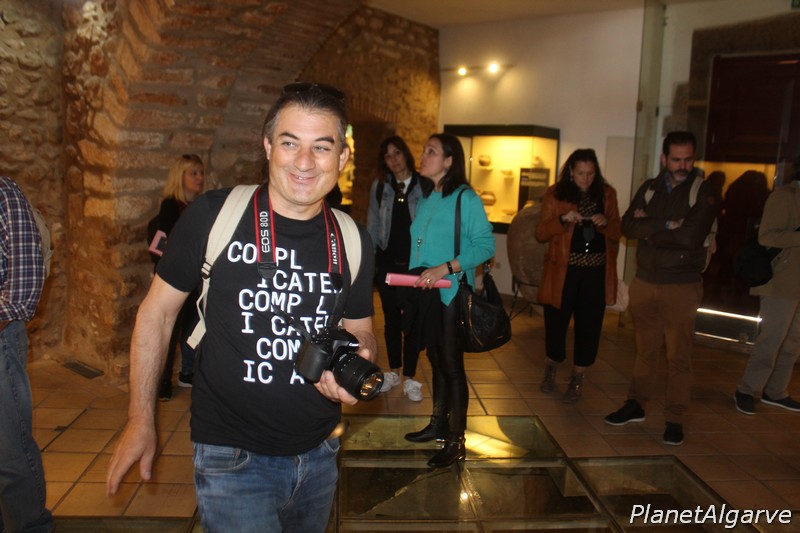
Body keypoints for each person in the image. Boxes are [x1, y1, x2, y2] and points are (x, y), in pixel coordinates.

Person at [107, 83, 377, 532]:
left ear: (342, 157)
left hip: (320, 451)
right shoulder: (214, 215)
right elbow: (156, 315)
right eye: (289, 143)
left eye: (321, 147)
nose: (304, 162)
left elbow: (361, 326)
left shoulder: (353, 238)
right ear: (268, 146)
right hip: (232, 456)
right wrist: (140, 419)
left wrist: (361, 353)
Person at [604, 131, 718, 446]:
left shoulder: (704, 191)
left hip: (681, 285)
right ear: (664, 158)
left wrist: (650, 226)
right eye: (676, 159)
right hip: (645, 281)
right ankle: (636, 404)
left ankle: (675, 418)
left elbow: (690, 238)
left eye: (688, 159)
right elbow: (628, 226)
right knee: (645, 351)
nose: (683, 166)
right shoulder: (650, 187)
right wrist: (668, 224)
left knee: (678, 356)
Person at [402, 133, 494, 468]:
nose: (423, 156)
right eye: (424, 150)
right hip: (428, 296)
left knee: (452, 366)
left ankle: (457, 441)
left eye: (431, 151)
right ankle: (439, 423)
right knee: (437, 361)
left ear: (449, 161)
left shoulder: (465, 198)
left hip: (451, 293)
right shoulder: (429, 197)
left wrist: (447, 267)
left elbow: (485, 246)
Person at [535, 148, 621, 403]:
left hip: (595, 273)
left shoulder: (607, 194)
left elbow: (618, 231)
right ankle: (551, 366)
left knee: (589, 325)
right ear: (571, 172)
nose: (585, 178)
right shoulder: (556, 193)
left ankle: (578, 376)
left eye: (590, 173)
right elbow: (541, 233)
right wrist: (562, 220)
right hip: (563, 271)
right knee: (556, 322)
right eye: (581, 173)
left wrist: (605, 223)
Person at [0, 177, 54, 533]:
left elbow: (23, 285)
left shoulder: (5, 194)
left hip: (1, 337)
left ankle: (30, 527)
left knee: (9, 450)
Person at [366, 136, 432, 401]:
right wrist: (370, 263)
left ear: (406, 154)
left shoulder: (424, 186)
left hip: (415, 265)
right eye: (388, 155)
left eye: (397, 153)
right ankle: (393, 371)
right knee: (391, 320)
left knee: (413, 321)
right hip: (387, 263)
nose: (393, 159)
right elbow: (372, 224)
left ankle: (411, 377)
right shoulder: (380, 187)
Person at [734, 156, 800, 415]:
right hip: (780, 281)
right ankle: (747, 389)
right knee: (771, 340)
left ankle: (776, 391)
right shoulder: (784, 197)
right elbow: (767, 236)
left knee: (793, 342)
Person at [154, 154, 205, 400]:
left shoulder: (200, 205)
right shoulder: (170, 206)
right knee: (170, 329)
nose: (199, 178)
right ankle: (163, 380)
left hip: (196, 276)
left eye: (201, 173)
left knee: (192, 327)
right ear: (180, 176)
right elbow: (163, 242)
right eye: (193, 173)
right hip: (175, 277)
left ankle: (187, 372)